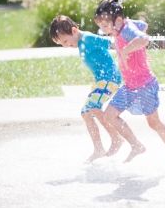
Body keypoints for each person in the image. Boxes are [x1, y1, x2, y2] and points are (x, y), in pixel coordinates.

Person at [94, 0, 165, 167]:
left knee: (154, 123)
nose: (104, 30)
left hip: (145, 85)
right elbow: (144, 26)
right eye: (101, 26)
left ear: (117, 20)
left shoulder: (126, 30)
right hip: (129, 86)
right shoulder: (122, 27)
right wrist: (126, 24)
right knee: (109, 115)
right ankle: (136, 145)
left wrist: (126, 50)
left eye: (105, 25)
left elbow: (144, 38)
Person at [49, 15, 143, 163]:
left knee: (92, 107)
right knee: (86, 112)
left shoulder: (88, 38)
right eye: (62, 44)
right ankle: (99, 148)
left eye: (66, 41)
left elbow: (113, 43)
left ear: (74, 30)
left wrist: (132, 50)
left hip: (109, 78)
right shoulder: (81, 42)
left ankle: (119, 139)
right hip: (102, 81)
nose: (66, 46)